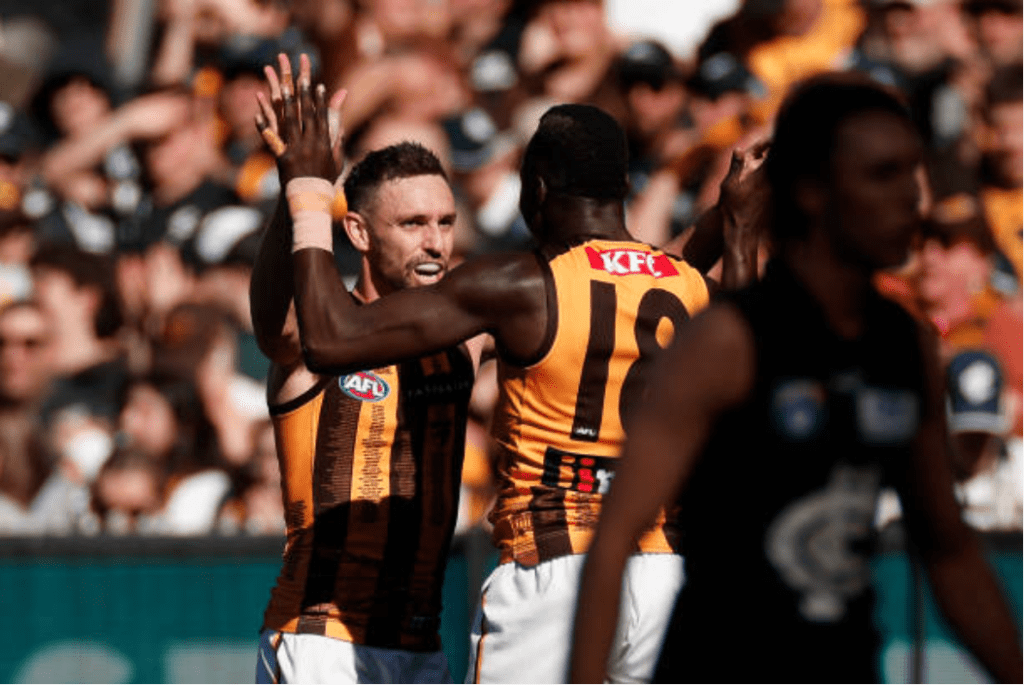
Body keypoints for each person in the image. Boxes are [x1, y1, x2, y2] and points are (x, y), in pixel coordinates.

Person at [267, 52, 759, 683]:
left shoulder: (522, 283)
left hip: (554, 566)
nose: (437, 238)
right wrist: (735, 224)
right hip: (668, 571)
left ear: (538, 190)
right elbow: (721, 315)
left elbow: (330, 339)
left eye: (443, 222)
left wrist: (308, 192)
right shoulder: (686, 286)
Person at [569, 74, 1023, 684]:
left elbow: (949, 552)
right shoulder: (726, 342)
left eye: (911, 173)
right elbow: (612, 542)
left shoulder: (903, 344)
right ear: (812, 190)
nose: (913, 201)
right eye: (882, 176)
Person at [250, 55, 478, 683]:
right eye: (412, 224)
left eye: (445, 223)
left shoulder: (467, 335)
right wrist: (301, 190)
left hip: (424, 642)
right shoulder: (320, 335)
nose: (435, 242)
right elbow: (274, 327)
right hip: (322, 638)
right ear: (357, 231)